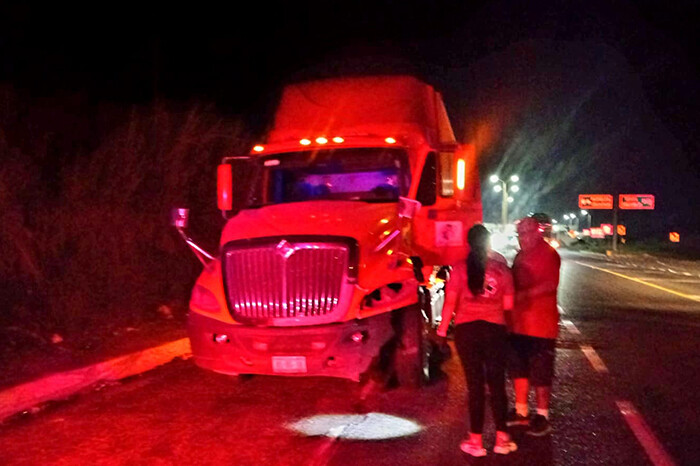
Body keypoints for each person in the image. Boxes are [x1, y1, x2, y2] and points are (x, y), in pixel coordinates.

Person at [437, 224, 517, 457]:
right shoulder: (502, 270)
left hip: (467, 332)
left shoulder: (459, 269)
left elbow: (450, 304)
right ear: (489, 243)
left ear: (468, 244)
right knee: (497, 384)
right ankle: (502, 439)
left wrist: (442, 333)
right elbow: (509, 306)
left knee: (475, 386)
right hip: (495, 331)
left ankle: (476, 441)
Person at [507, 216, 561, 436]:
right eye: (520, 234)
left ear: (538, 232)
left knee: (541, 372)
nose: (523, 238)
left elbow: (550, 284)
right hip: (518, 324)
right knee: (518, 368)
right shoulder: (520, 255)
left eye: (527, 233)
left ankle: (542, 415)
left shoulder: (548, 254)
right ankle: (521, 411)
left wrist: (521, 296)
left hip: (541, 325)